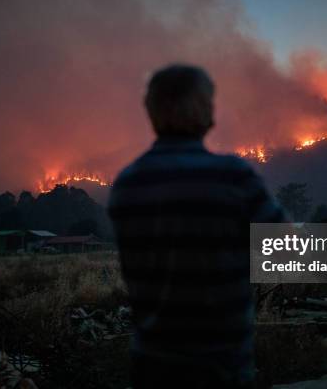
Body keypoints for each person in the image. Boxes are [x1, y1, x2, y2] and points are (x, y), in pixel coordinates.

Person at [108, 64, 285, 388]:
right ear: (200, 108)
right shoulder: (233, 177)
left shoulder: (127, 184)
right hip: (223, 366)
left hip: (152, 368)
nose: (212, 108)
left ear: (152, 111)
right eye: (209, 100)